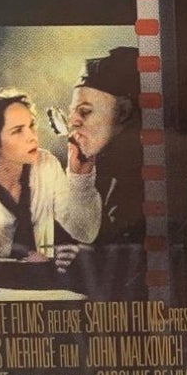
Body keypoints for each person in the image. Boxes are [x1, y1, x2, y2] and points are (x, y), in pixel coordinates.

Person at [0, 90, 103, 259]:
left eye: (31, 125)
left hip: (41, 274)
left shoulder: (46, 165)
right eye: (18, 130)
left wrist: (81, 178)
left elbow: (84, 232)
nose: (32, 136)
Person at [63, 48, 144, 242]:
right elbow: (85, 235)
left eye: (84, 111)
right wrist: (80, 181)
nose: (71, 121)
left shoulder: (145, 177)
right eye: (72, 111)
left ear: (123, 113)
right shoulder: (99, 165)